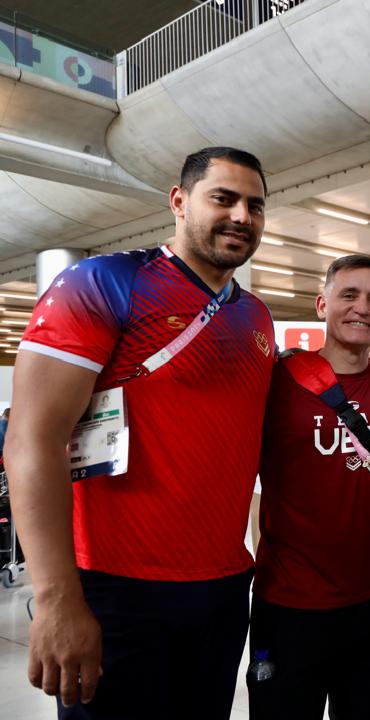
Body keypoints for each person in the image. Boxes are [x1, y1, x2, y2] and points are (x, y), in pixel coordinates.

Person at [6, 147, 275, 718]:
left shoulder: (255, 316)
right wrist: (56, 600)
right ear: (179, 202)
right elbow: (32, 439)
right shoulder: (102, 282)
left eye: (255, 205)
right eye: (223, 199)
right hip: (114, 590)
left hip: (223, 587)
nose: (241, 217)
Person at [249, 255, 370, 719]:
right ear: (322, 304)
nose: (362, 307)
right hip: (289, 605)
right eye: (349, 295)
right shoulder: (277, 382)